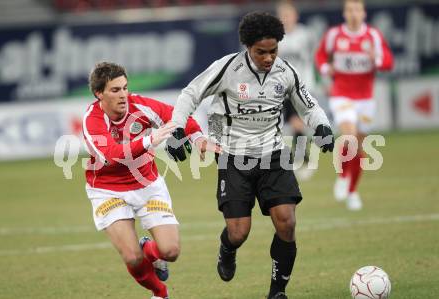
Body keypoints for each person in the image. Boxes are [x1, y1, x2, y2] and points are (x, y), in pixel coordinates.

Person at [166, 12, 334, 299]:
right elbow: (190, 94)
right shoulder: (228, 69)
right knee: (239, 232)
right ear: (247, 47)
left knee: (287, 221)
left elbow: (308, 105)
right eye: (261, 52)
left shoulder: (286, 72)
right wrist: (176, 129)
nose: (268, 58)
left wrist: (322, 126)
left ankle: (277, 291)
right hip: (233, 157)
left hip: (273, 154)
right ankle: (227, 249)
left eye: (273, 51)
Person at [82, 62, 216, 299]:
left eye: (125, 87)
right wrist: (151, 139)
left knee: (171, 251)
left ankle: (149, 250)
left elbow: (178, 116)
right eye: (115, 90)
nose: (123, 94)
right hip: (107, 190)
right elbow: (112, 155)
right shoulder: (92, 119)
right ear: (99, 93)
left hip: (147, 186)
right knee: (132, 257)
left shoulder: (140, 105)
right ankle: (160, 293)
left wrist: (197, 140)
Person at [315, 0, 393, 210]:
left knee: (358, 147)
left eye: (357, 9)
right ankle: (342, 176)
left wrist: (376, 60)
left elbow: (388, 62)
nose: (354, 14)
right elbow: (321, 55)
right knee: (348, 136)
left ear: (364, 13)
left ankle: (352, 192)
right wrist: (325, 69)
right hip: (342, 94)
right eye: (350, 10)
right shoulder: (334, 35)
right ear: (344, 13)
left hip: (366, 99)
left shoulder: (373, 36)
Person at [276, 0, 318, 181]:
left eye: (288, 15)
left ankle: (302, 159)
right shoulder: (275, 38)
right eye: (282, 15)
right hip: (281, 88)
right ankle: (300, 158)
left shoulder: (306, 35)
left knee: (296, 122)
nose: (286, 19)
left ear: (296, 16)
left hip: (302, 86)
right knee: (289, 124)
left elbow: (318, 57)